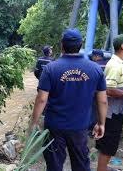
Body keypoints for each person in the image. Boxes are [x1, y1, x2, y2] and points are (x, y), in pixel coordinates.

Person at [29, 28, 108, 171]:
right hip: (80, 127)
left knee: (54, 164)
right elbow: (102, 100)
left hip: (54, 127)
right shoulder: (95, 69)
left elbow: (41, 99)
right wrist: (101, 123)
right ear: (80, 45)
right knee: (81, 164)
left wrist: (34, 122)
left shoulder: (51, 68)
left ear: (62, 45)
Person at [96, 34, 123, 171]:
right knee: (107, 147)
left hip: (117, 112)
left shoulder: (120, 63)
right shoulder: (114, 65)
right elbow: (109, 90)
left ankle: (104, 168)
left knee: (110, 145)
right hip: (111, 113)